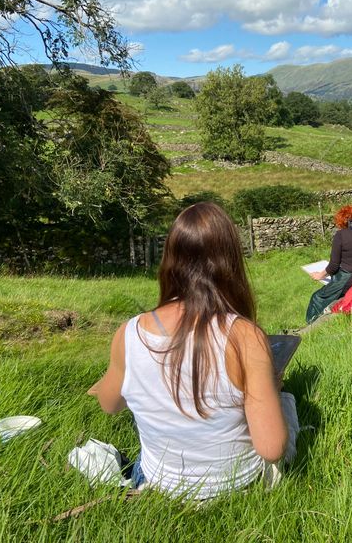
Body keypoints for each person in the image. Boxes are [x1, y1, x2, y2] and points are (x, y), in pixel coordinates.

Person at [88, 202, 291, 499]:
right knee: (287, 402)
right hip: (239, 489)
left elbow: (109, 405)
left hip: (162, 486)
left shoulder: (129, 333)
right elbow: (272, 449)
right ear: (231, 261)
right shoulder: (245, 335)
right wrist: (270, 386)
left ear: (170, 258)